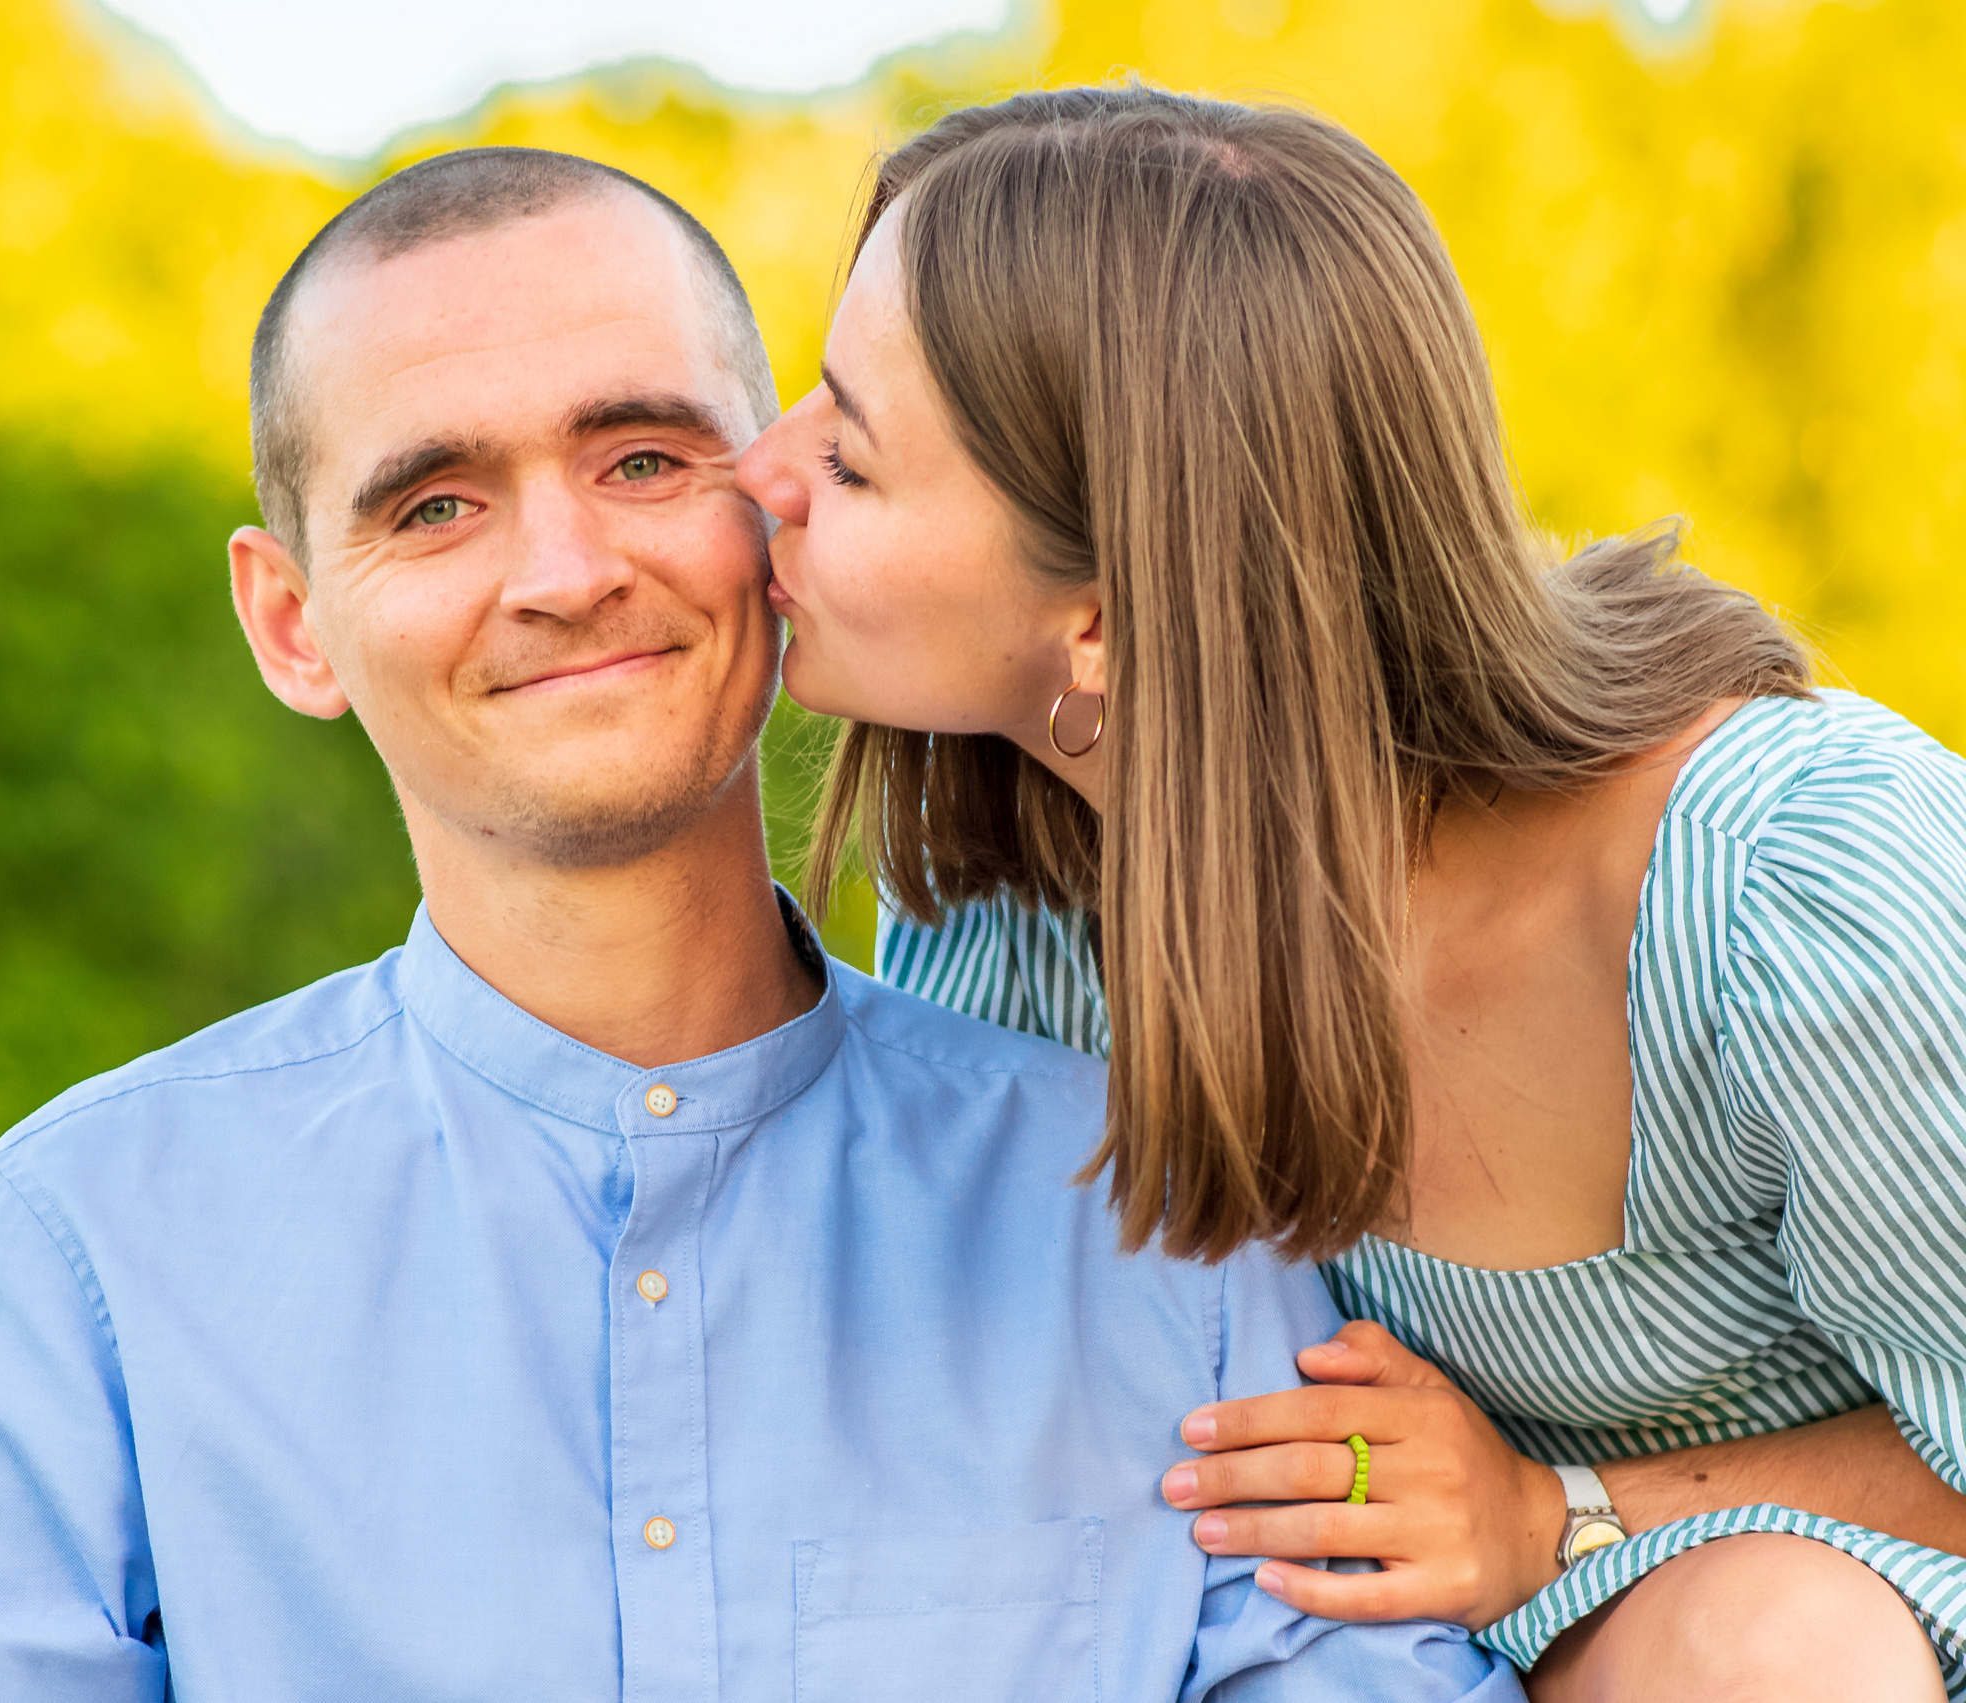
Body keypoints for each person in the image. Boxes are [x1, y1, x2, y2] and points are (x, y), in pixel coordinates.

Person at [0, 146, 1518, 1701]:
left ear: (782, 501)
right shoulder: (86, 1256)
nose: (564, 569)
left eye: (644, 457)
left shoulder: (1152, 1216)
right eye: (434, 503)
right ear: (293, 623)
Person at [734, 83, 1966, 1702]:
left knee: (1778, 1647)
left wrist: (1557, 1511)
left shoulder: (1802, 889)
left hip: (1777, 1634)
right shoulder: (1019, 906)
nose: (760, 471)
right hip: (1373, 1659)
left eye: (854, 452)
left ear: (1099, 618)